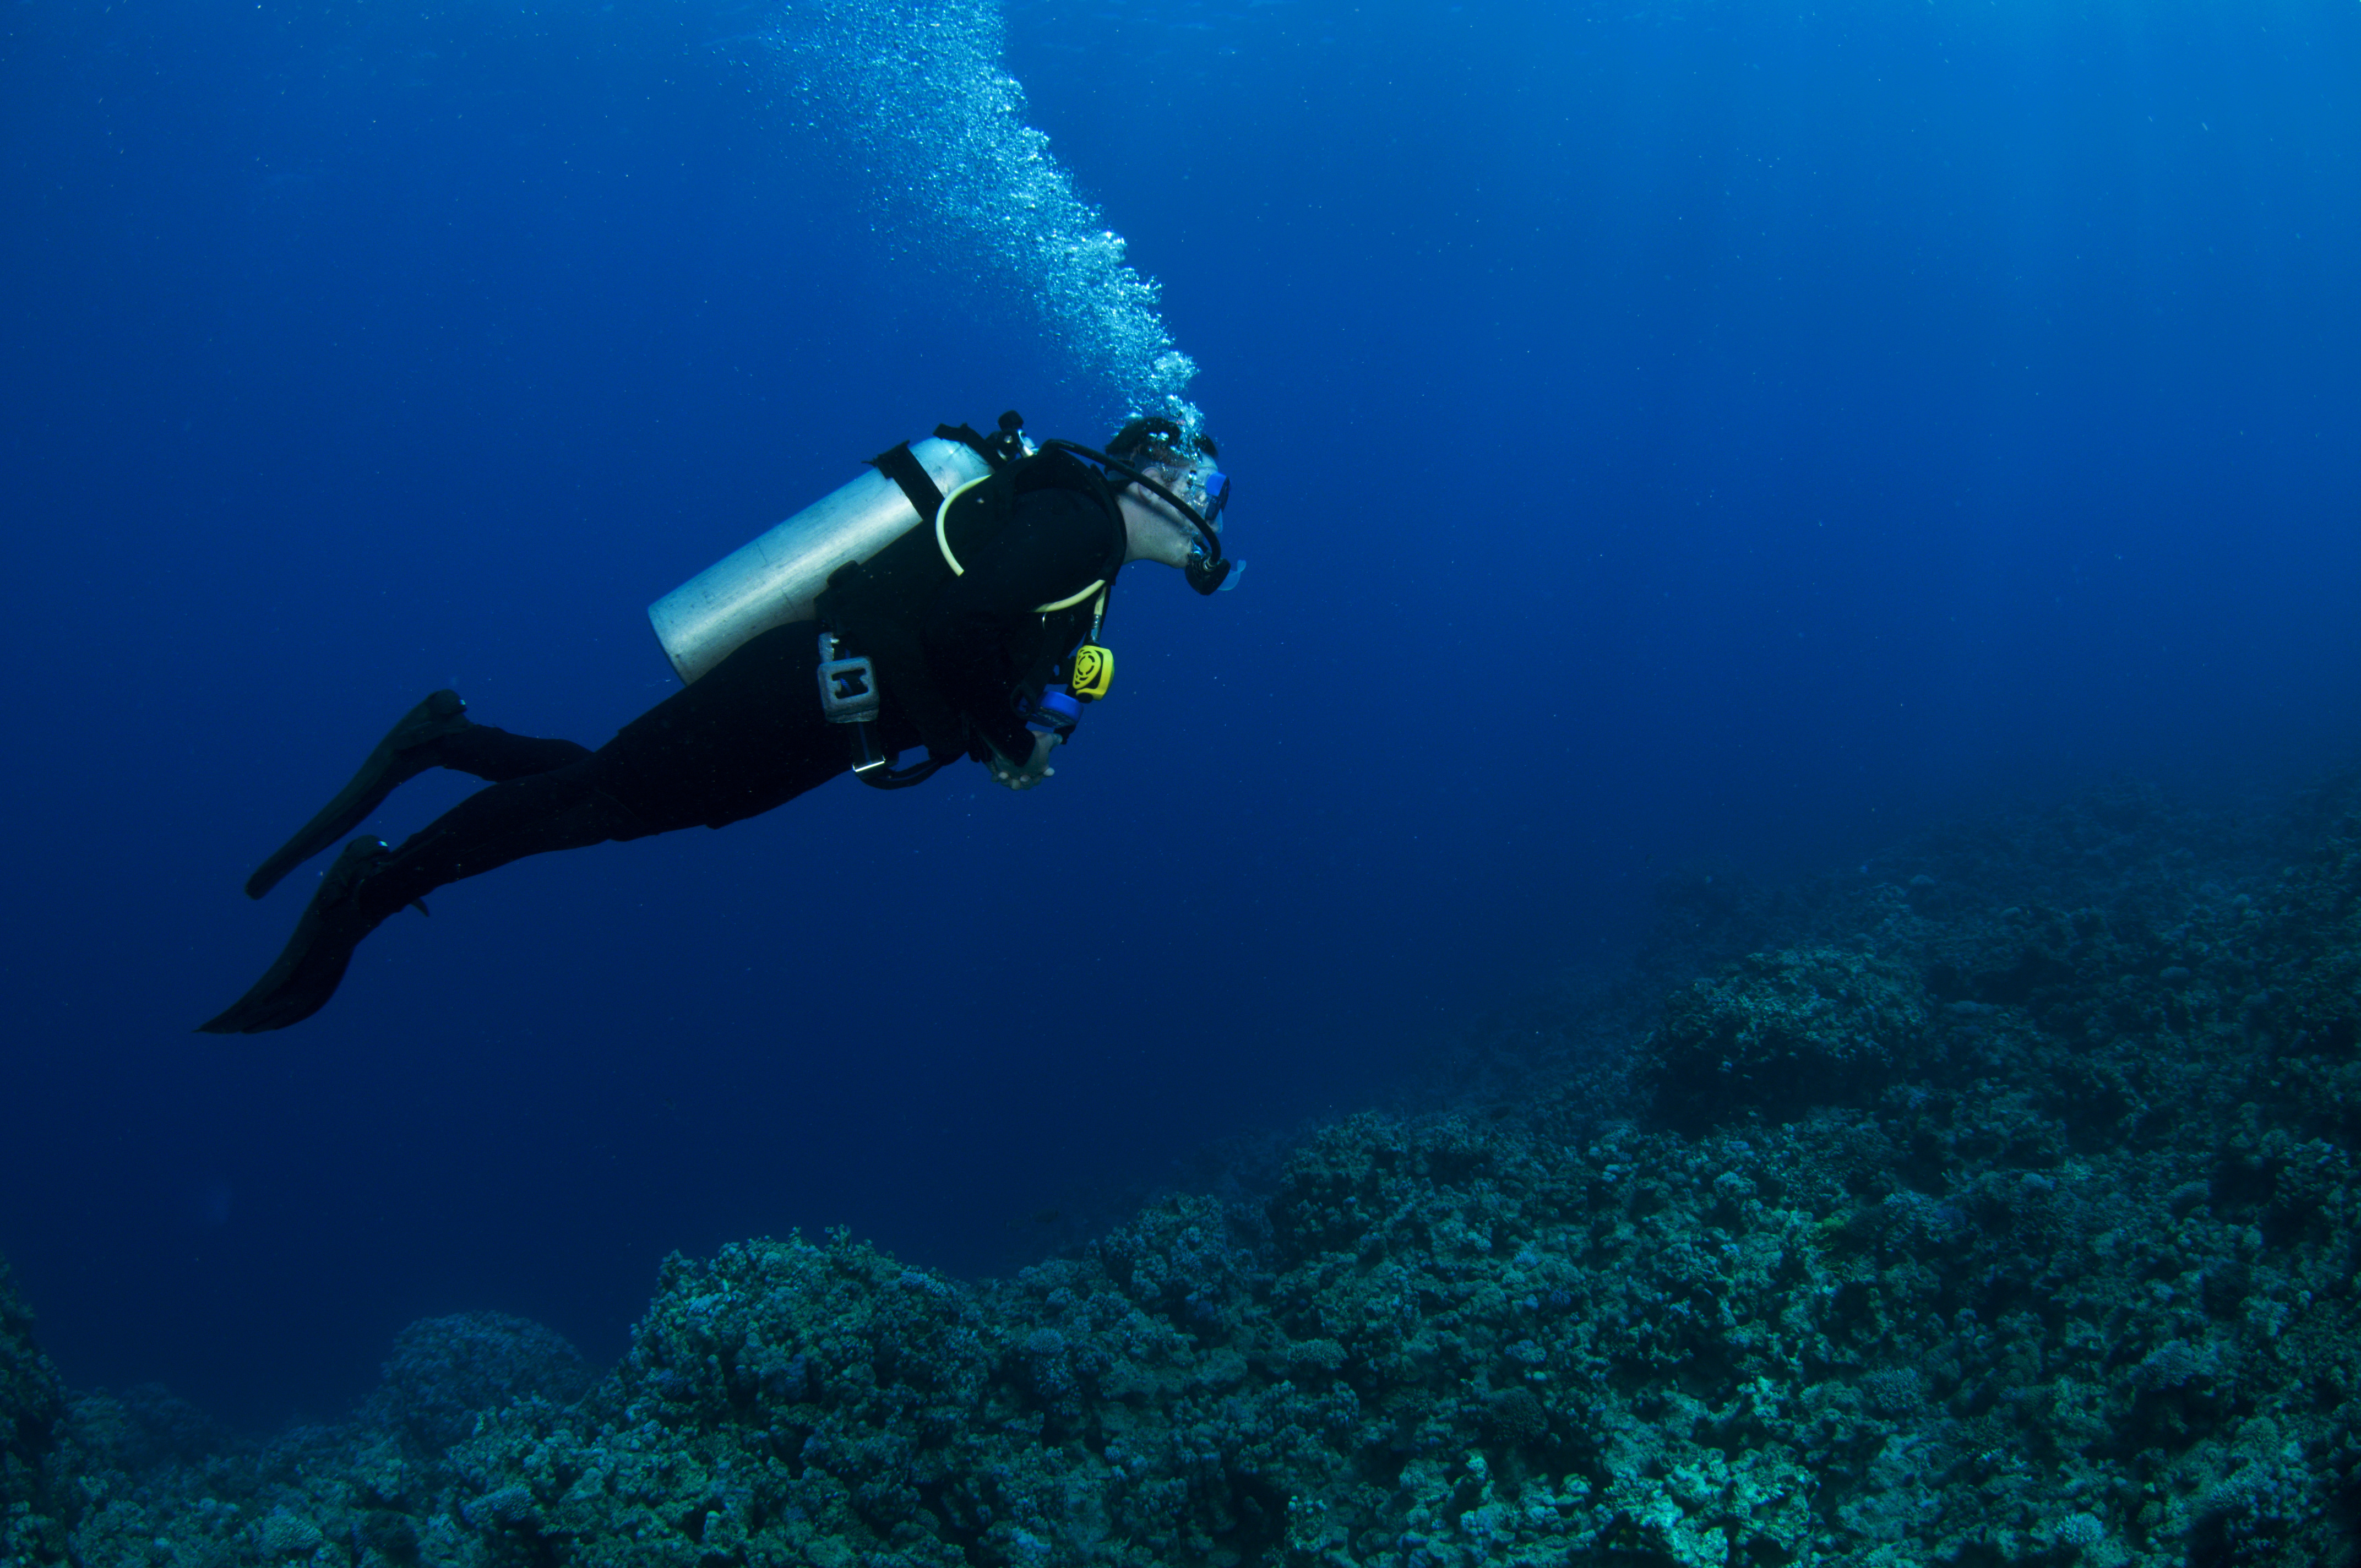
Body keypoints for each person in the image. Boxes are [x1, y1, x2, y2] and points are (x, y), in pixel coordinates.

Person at [199, 414, 1232, 1034]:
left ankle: (441, 741)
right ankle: (373, 889)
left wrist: (1036, 722)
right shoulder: (1083, 527)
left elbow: (981, 642)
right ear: (1171, 483)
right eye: (1211, 493)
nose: (1214, 518)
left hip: (820, 709)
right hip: (805, 696)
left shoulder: (1082, 563)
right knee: (605, 799)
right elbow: (962, 629)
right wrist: (1010, 743)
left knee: (614, 789)